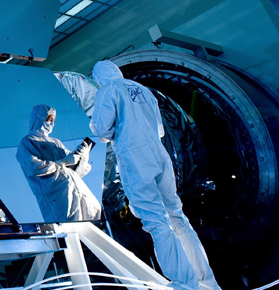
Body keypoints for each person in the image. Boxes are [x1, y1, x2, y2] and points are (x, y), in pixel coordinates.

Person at [90, 60, 220, 290]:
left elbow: (100, 130)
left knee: (157, 222)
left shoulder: (108, 90)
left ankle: (184, 283)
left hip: (135, 157)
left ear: (99, 77)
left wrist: (115, 133)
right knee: (178, 218)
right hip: (160, 156)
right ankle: (207, 281)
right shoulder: (143, 90)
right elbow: (160, 130)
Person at [16, 104, 101, 222]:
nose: (51, 123)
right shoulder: (28, 142)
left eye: (53, 120)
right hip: (57, 195)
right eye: (48, 119)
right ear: (38, 118)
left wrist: (83, 157)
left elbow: (75, 170)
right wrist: (63, 162)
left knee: (95, 216)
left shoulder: (56, 142)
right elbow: (34, 167)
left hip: (77, 188)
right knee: (70, 226)